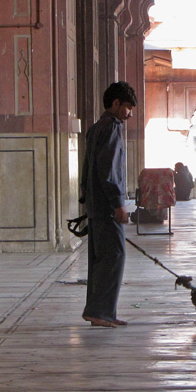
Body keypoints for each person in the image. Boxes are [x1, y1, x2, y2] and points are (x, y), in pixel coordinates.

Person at [79, 81, 137, 328]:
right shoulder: (112, 128)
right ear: (115, 104)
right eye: (127, 108)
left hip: (94, 205)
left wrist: (86, 198)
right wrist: (117, 204)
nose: (129, 114)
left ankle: (98, 311)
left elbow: (87, 170)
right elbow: (109, 171)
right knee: (114, 255)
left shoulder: (95, 128)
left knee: (101, 258)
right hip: (105, 207)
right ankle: (101, 312)